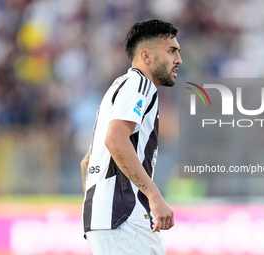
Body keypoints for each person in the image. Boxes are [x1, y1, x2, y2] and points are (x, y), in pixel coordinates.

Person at [80, 19, 182, 254]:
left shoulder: (117, 89)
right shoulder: (139, 85)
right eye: (171, 51)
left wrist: (98, 210)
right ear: (146, 56)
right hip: (125, 218)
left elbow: (87, 162)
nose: (178, 60)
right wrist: (154, 197)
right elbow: (115, 140)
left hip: (105, 220)